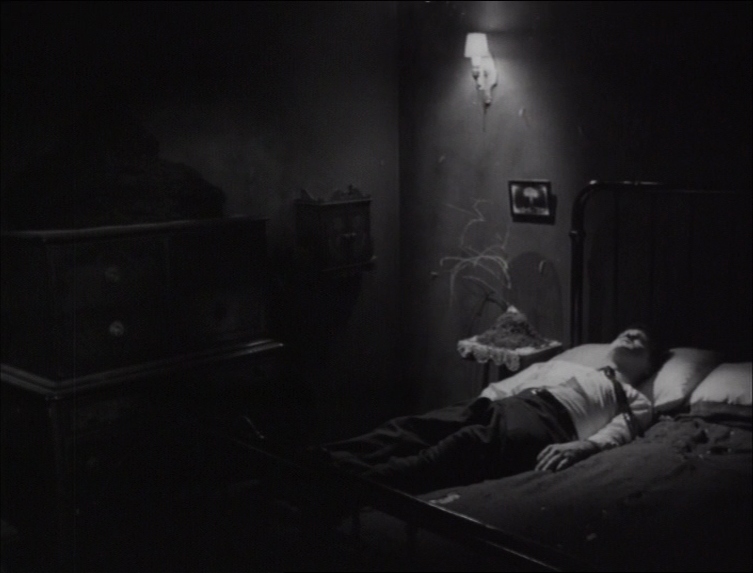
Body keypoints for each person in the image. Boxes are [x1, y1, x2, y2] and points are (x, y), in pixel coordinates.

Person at [315, 327, 660, 494]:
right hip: (505, 405)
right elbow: (520, 380)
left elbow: (620, 431)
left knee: (453, 450)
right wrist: (481, 403)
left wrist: (583, 446)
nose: (632, 333)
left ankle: (344, 485)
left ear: (646, 368)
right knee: (412, 427)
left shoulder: (635, 397)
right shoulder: (568, 365)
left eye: (641, 340)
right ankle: (324, 458)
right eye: (627, 332)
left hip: (546, 424)